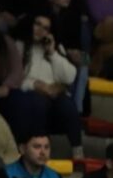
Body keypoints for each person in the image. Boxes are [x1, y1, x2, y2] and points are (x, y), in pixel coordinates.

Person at [13, 11, 82, 157]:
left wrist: (52, 53)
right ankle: (39, 151)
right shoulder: (19, 45)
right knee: (38, 103)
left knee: (67, 105)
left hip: (53, 94)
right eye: (37, 24)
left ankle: (78, 151)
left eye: (45, 28)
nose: (40, 30)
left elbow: (70, 77)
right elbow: (14, 79)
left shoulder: (55, 48)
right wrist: (35, 84)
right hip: (29, 95)